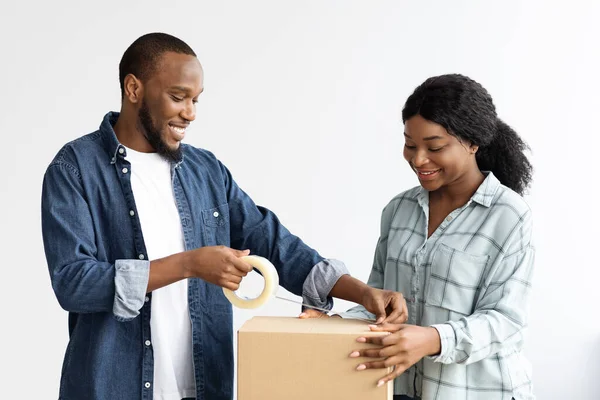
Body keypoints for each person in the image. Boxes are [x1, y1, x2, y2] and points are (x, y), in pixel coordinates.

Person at [40, 32, 407, 400]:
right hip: (110, 389)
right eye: (178, 97)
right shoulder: (75, 169)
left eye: (196, 100)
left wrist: (363, 292)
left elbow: (273, 242)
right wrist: (190, 264)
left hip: (203, 387)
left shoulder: (206, 170)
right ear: (133, 89)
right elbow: (74, 282)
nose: (190, 113)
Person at [303, 74, 535, 399]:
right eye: (410, 144)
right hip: (401, 391)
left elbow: (506, 321)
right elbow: (379, 306)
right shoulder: (398, 210)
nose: (418, 159)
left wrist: (432, 339)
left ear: (473, 143)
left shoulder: (508, 216)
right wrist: (332, 326)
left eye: (435, 147)